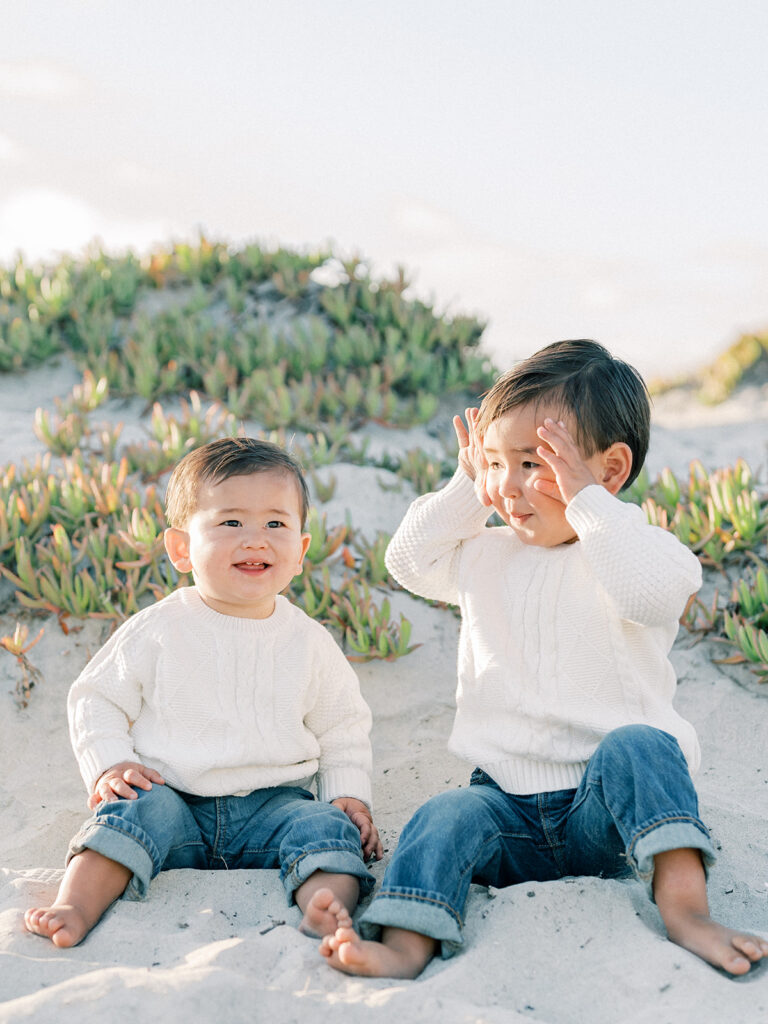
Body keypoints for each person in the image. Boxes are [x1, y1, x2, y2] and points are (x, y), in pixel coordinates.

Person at [320, 339, 768, 978]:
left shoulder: (635, 548)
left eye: (533, 462)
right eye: (495, 462)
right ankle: (406, 941)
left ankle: (685, 909)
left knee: (641, 744)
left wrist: (590, 506)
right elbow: (407, 561)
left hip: (605, 809)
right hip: (504, 808)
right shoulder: (484, 556)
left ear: (610, 469)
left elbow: (650, 596)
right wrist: (468, 486)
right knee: (442, 815)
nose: (507, 485)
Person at [25, 436, 382, 948]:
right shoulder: (160, 627)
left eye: (276, 524)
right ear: (180, 549)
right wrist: (110, 763)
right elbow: (95, 698)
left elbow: (342, 726)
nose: (255, 540)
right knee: (128, 812)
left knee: (324, 827)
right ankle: (73, 907)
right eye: (231, 522)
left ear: (301, 550)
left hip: (274, 808)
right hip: (175, 802)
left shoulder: (308, 641)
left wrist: (348, 794)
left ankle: (327, 910)